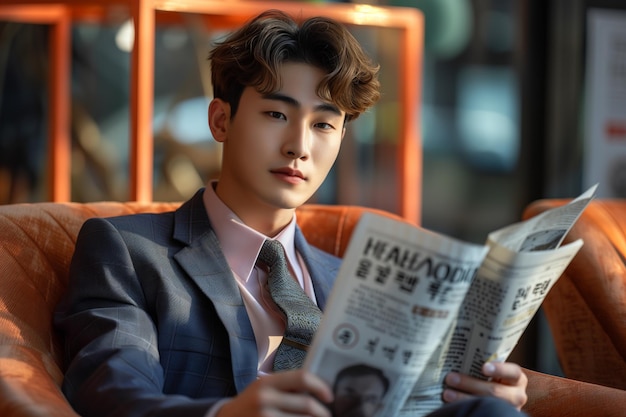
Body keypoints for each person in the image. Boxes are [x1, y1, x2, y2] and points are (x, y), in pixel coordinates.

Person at [54, 9, 528, 417]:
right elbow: (113, 393)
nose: (299, 146)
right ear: (221, 120)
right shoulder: (129, 251)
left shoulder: (356, 281)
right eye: (276, 115)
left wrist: (475, 390)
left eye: (323, 124)